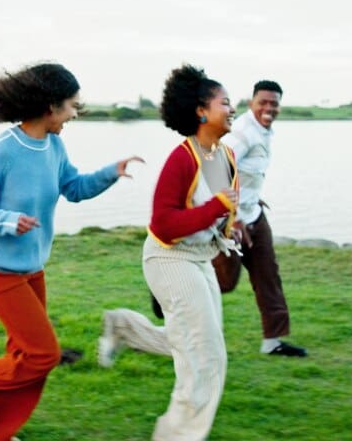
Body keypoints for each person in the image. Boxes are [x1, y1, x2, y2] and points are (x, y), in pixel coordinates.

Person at [0, 63, 142, 441]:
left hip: (31, 270)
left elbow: (75, 188)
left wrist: (111, 173)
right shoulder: (3, 150)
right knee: (42, 356)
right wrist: (7, 221)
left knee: (29, 360)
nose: (74, 114)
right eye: (71, 106)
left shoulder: (54, 145)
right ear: (50, 107)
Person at [98, 64, 240, 441]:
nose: (232, 108)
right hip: (169, 259)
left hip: (198, 259)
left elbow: (216, 211)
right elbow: (163, 224)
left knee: (192, 342)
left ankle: (123, 328)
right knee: (205, 359)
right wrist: (216, 208)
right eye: (225, 102)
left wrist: (230, 224)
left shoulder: (223, 155)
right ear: (201, 111)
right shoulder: (183, 157)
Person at [215, 80, 307, 357]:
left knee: (269, 276)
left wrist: (253, 197)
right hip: (232, 221)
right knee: (225, 282)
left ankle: (273, 342)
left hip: (254, 214)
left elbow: (246, 173)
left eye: (274, 103)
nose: (268, 108)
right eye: (262, 103)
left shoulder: (265, 131)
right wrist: (234, 217)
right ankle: (171, 293)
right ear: (251, 103)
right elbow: (218, 170)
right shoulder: (242, 133)